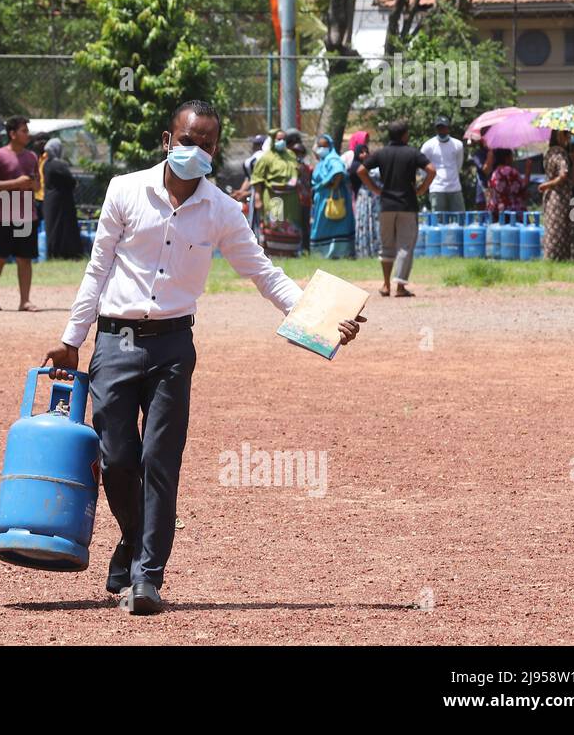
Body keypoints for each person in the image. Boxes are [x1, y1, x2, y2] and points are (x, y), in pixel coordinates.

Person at [43, 99, 362, 615]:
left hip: (172, 346)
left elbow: (264, 274)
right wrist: (71, 338)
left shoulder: (222, 211)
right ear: (169, 141)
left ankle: (147, 576)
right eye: (187, 141)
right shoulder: (125, 190)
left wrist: (323, 321)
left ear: (216, 150)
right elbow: (97, 269)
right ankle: (131, 539)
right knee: (119, 458)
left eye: (206, 144)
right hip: (116, 339)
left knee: (160, 460)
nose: (195, 150)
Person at [358, 120, 435, 297]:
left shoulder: (381, 153)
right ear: (404, 135)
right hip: (407, 205)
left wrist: (376, 189)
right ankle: (400, 287)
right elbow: (431, 170)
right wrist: (421, 189)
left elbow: (361, 170)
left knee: (386, 245)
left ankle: (386, 285)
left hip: (386, 205)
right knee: (405, 246)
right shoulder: (412, 153)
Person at [0, 116, 40, 311]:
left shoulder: (32, 157)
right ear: (12, 134)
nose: (28, 134)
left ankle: (25, 300)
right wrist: (16, 183)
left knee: (24, 258)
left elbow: (38, 185)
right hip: (2, 216)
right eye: (24, 131)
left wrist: (32, 184)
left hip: (26, 216)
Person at [250, 129, 303, 258]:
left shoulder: (290, 154)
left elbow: (297, 171)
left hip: (290, 197)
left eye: (284, 139)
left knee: (290, 222)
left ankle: (291, 252)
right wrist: (258, 197)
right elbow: (257, 178)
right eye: (279, 139)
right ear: (273, 140)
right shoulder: (267, 157)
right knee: (275, 222)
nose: (282, 142)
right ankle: (274, 253)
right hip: (274, 196)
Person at [309, 134, 355, 258]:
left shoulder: (332, 158)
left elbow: (338, 170)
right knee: (323, 224)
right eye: (320, 146)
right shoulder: (323, 161)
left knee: (326, 224)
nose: (321, 149)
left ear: (330, 146)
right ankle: (323, 253)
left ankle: (336, 252)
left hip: (332, 198)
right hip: (323, 197)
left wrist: (334, 185)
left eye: (324, 146)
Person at [539, 130, 574, 261]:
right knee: (563, 229)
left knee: (553, 227)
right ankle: (563, 258)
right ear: (560, 135)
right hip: (563, 196)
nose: (569, 138)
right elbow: (563, 175)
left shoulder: (549, 153)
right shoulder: (561, 153)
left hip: (552, 196)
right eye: (567, 135)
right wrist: (548, 185)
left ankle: (554, 258)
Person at [42, 137, 82, 259]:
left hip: (50, 200)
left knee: (53, 228)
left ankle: (54, 254)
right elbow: (70, 180)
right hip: (61, 200)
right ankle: (68, 253)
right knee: (64, 227)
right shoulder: (57, 164)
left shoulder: (46, 164)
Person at [420, 116, 465, 214]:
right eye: (439, 128)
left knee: (459, 219)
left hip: (455, 188)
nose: (442, 130)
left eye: (444, 127)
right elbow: (423, 168)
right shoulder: (428, 146)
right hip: (437, 188)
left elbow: (458, 165)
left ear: (448, 128)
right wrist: (429, 182)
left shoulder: (458, 145)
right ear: (436, 129)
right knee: (439, 222)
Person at [349, 143, 381, 258]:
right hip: (363, 200)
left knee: (374, 224)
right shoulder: (355, 166)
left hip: (374, 201)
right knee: (364, 224)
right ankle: (364, 252)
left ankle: (375, 250)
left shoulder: (371, 166)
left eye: (366, 151)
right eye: (361, 152)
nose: (365, 154)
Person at [287, 131, 312, 253]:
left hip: (305, 200)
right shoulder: (290, 167)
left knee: (305, 226)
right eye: (296, 152)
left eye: (301, 153)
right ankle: (295, 248)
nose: (299, 155)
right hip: (294, 199)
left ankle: (305, 248)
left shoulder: (307, 168)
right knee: (294, 225)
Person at [485, 148, 527, 218]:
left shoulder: (494, 173)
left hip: (495, 211)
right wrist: (527, 170)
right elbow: (523, 187)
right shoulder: (511, 172)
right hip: (513, 212)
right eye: (511, 156)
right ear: (506, 158)